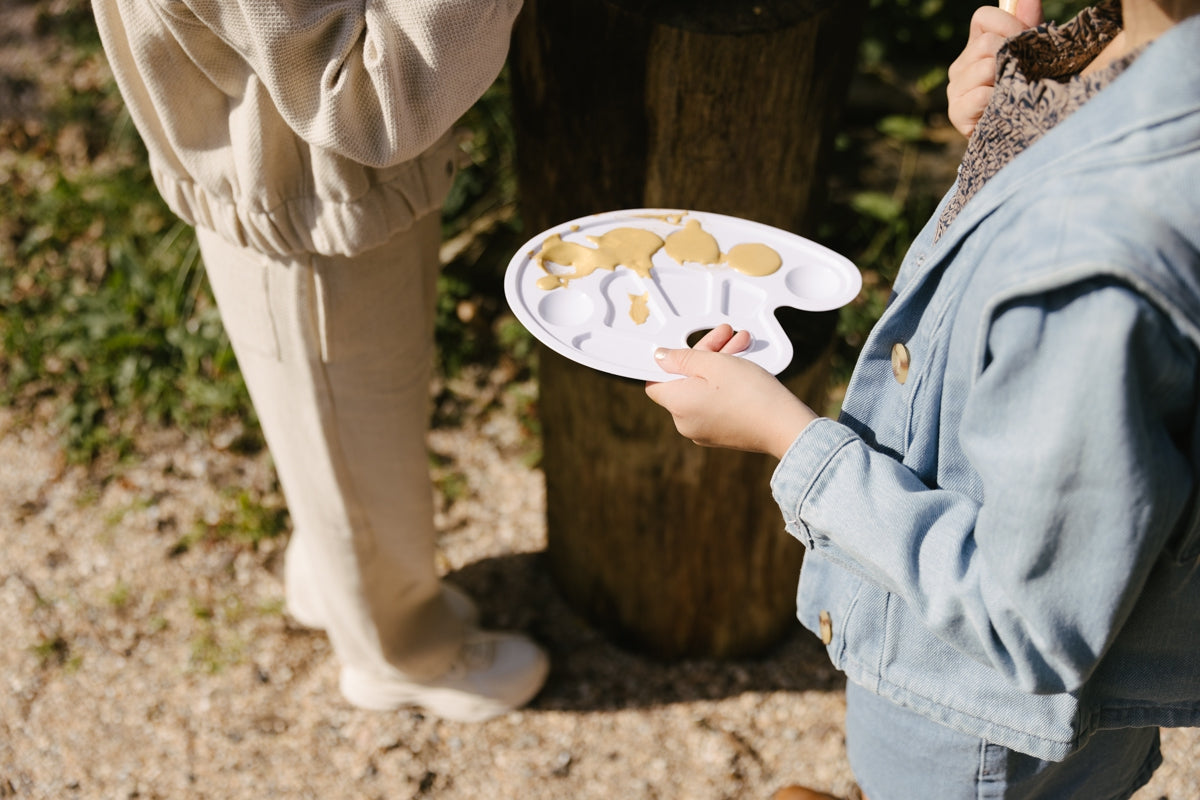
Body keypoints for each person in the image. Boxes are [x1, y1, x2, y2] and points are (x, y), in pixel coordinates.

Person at [647, 0, 1200, 797]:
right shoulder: (1136, 53)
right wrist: (1018, 123)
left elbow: (1029, 620)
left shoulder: (1096, 271)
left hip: (977, 722)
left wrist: (788, 439)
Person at [90, 1, 548, 722]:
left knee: (331, 420)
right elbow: (369, 103)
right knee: (350, 441)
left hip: (296, 172)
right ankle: (399, 652)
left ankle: (335, 579)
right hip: (308, 198)